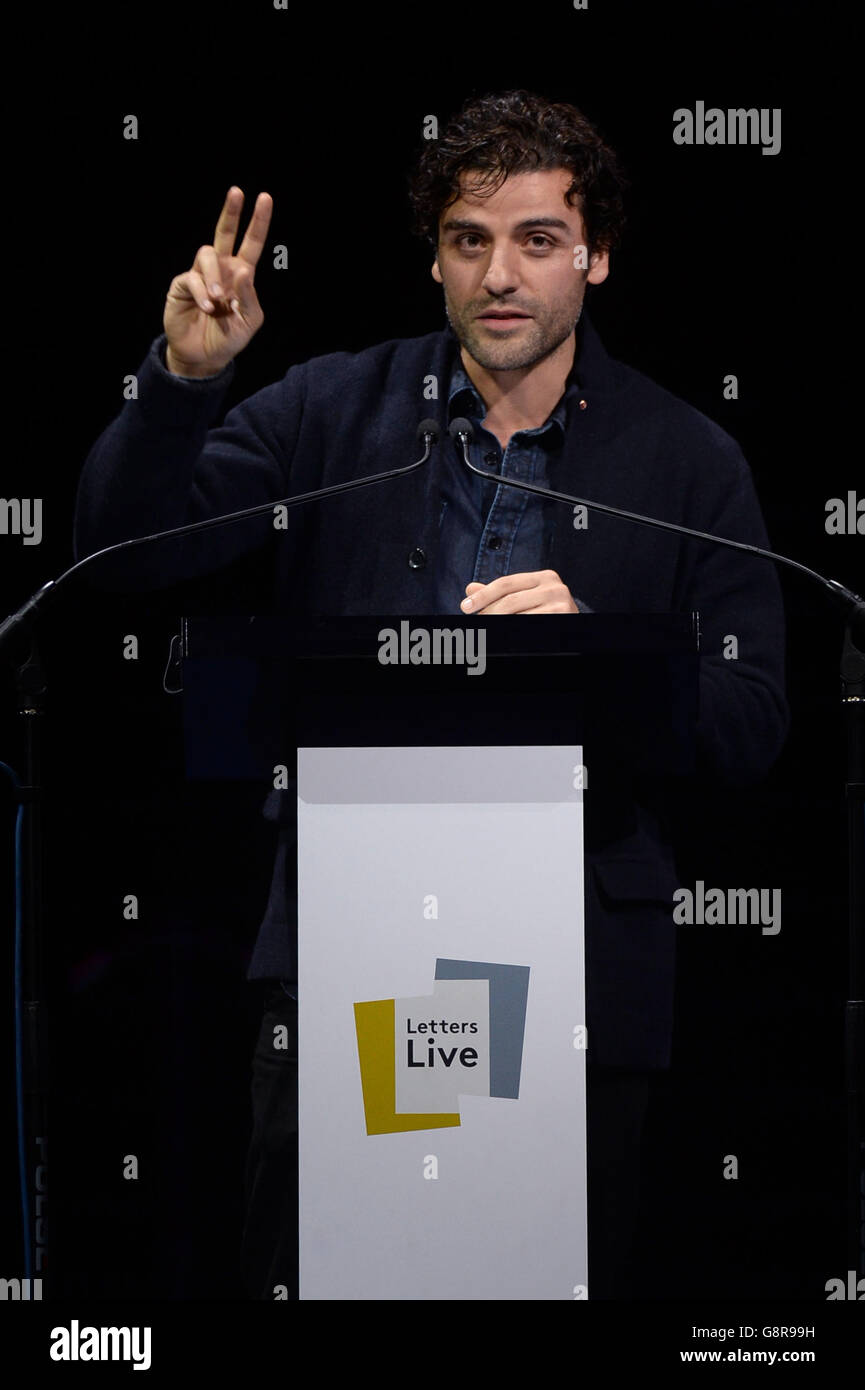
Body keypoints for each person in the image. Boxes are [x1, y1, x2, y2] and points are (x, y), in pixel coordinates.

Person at [73, 89, 789, 1299]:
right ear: (436, 257)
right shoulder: (328, 412)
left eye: (537, 239)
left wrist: (607, 653)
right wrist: (182, 385)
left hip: (576, 981)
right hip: (351, 952)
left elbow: (754, 721)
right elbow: (121, 555)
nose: (498, 274)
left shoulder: (684, 460)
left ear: (596, 256)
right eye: (468, 239)